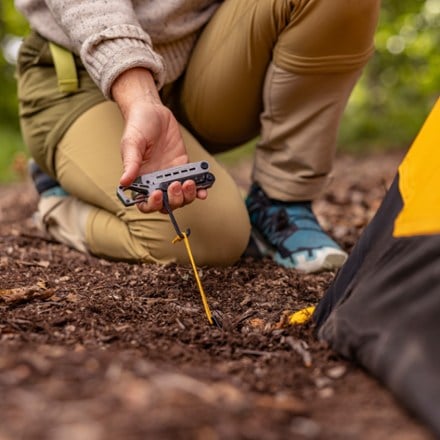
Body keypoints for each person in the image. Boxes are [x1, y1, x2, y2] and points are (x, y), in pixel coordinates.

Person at [15, 0, 381, 273]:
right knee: (211, 239)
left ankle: (280, 202)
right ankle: (59, 204)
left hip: (202, 63)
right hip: (82, 72)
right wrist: (139, 95)